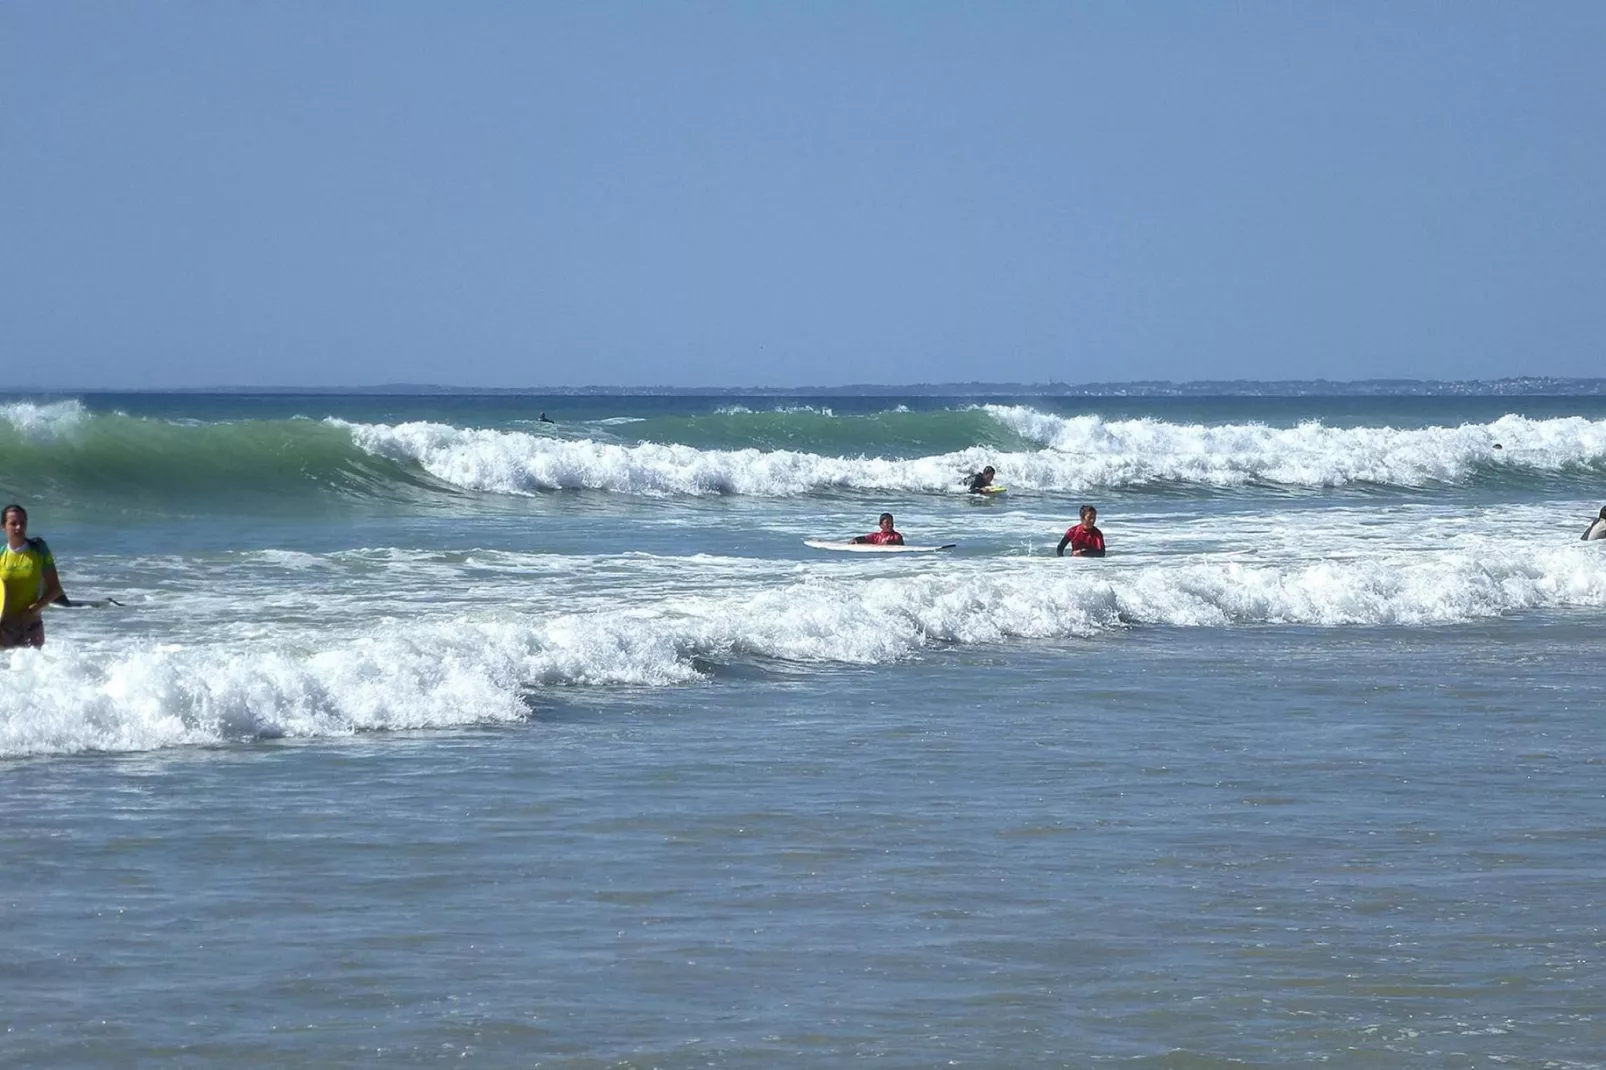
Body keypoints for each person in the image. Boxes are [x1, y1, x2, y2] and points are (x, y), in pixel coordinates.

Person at [1, 504, 65, 649]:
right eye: (13, 523)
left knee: (33, 670)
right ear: (3, 526)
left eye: (22, 523)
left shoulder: (39, 550)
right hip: (4, 629)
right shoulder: (1, 555)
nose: (18, 527)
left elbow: (56, 589)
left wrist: (33, 609)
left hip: (31, 627)